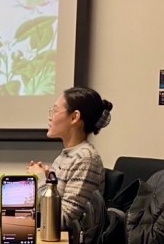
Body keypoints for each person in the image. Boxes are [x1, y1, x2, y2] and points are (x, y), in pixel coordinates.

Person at [27, 87, 113, 229]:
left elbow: (63, 221)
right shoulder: (66, 156)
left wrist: (41, 180)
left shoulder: (85, 159)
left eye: (55, 111)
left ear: (74, 117)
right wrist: (48, 182)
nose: (50, 116)